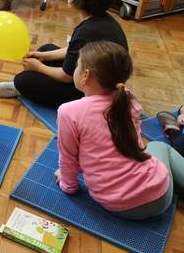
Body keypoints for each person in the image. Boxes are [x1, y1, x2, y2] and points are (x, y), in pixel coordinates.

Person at [56, 41, 184, 220]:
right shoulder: (127, 100)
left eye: (77, 65)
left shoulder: (68, 111)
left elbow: (69, 155)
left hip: (120, 206)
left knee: (156, 146)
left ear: (86, 75)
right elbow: (135, 143)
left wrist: (68, 185)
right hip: (161, 195)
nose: (75, 68)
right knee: (158, 147)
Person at [0, 0, 128, 109]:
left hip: (93, 90)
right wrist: (43, 56)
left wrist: (39, 67)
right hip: (99, 78)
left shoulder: (86, 30)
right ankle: (37, 71)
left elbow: (67, 76)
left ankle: (20, 88)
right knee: (46, 49)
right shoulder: (102, 20)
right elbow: (73, 50)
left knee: (23, 80)